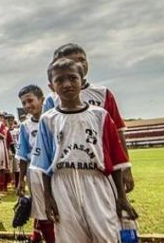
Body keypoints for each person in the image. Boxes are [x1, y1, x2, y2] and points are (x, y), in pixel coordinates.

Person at [31, 58, 138, 242]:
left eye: (73, 78)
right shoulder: (47, 120)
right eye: (59, 80)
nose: (67, 84)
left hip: (96, 182)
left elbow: (116, 159)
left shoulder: (100, 116)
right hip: (61, 184)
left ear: (82, 81)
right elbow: (44, 164)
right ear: (51, 86)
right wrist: (48, 197)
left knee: (106, 235)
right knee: (70, 237)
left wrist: (121, 197)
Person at [43, 43, 134, 192]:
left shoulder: (103, 93)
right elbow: (47, 140)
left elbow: (117, 132)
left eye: (82, 59)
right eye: (72, 61)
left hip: (103, 167)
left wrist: (126, 167)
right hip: (66, 172)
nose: (79, 64)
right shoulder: (52, 99)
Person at [15, 85, 54, 243]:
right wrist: (21, 180)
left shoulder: (54, 119)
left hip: (56, 170)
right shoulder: (25, 126)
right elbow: (23, 156)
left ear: (42, 99)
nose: (27, 106)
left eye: (30, 101)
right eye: (24, 103)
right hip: (35, 171)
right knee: (42, 210)